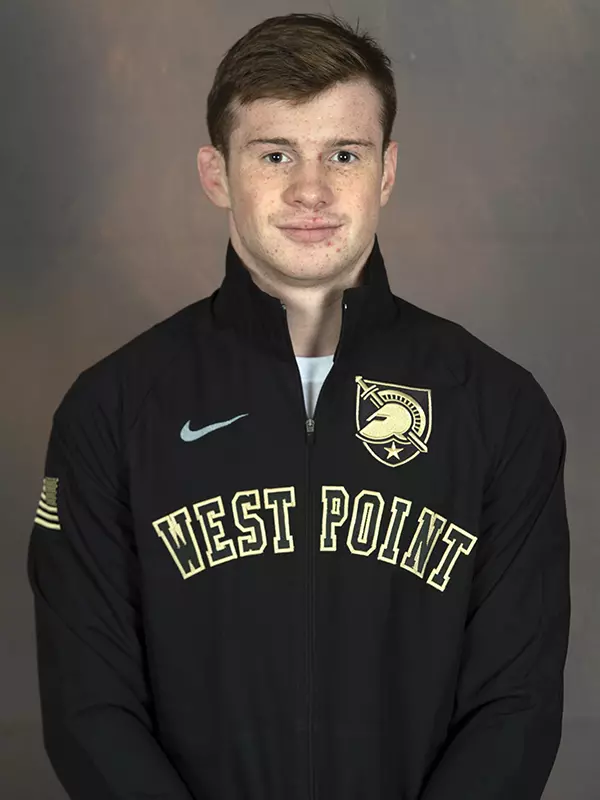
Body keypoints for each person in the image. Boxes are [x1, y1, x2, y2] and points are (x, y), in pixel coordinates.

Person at [27, 12, 570, 800]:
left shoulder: (499, 409)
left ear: (386, 171)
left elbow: (514, 708)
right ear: (217, 174)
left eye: (343, 154)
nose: (310, 189)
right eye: (274, 152)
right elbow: (90, 707)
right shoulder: (111, 410)